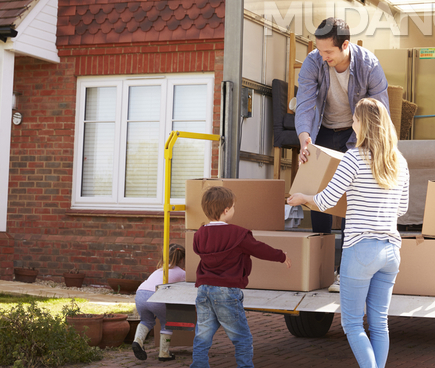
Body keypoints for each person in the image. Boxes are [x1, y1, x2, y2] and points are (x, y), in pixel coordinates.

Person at [288, 98, 409, 368]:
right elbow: (402, 208)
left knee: (353, 324)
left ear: (363, 124)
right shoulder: (399, 161)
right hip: (391, 251)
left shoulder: (353, 158)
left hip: (360, 249)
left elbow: (327, 200)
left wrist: (302, 197)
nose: (352, 123)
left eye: (354, 119)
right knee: (379, 323)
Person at [294, 17, 390, 292]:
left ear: (345, 45)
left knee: (352, 198)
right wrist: (304, 137)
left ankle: (347, 272)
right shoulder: (314, 61)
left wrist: (368, 148)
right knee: (318, 193)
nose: (322, 57)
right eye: (319, 50)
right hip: (322, 131)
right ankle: (321, 269)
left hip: (356, 134)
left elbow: (379, 111)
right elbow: (305, 102)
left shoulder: (368, 65)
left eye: (328, 52)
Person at [190, 186, 292, 368]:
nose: (234, 210)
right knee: (242, 338)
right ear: (226, 210)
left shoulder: (199, 234)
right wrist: (281, 256)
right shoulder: (238, 234)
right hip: (227, 292)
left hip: (204, 290)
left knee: (202, 336)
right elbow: (259, 249)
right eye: (234, 207)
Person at [132, 243, 186, 362]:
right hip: (156, 296)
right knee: (167, 322)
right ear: (182, 259)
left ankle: (138, 341)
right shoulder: (182, 273)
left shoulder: (159, 270)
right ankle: (164, 353)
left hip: (140, 294)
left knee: (146, 320)